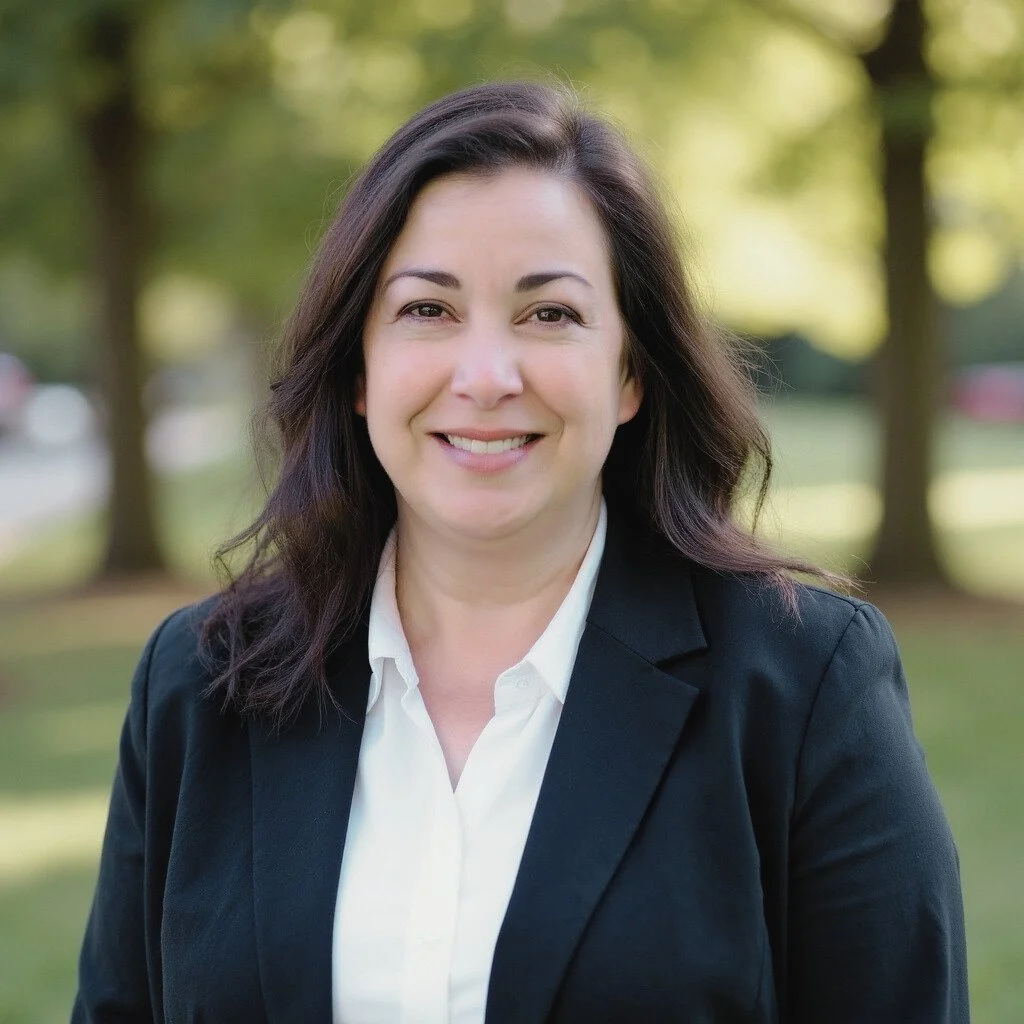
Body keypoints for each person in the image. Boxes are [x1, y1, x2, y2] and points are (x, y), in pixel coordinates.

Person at [72, 81, 968, 1023]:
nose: (489, 377)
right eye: (427, 310)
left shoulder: (802, 687)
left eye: (551, 315)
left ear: (630, 372)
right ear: (359, 371)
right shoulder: (201, 682)